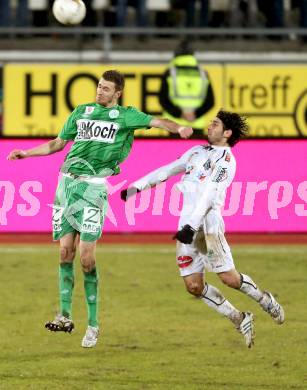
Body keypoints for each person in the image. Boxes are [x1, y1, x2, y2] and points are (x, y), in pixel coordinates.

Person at [7, 70, 193, 348]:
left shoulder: (127, 116)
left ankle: (93, 325)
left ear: (117, 93)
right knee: (64, 252)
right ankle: (65, 316)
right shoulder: (82, 112)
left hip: (94, 190)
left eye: (106, 89)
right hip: (66, 186)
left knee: (86, 258)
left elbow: (156, 122)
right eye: (98, 86)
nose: (100, 91)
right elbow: (58, 144)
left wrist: (178, 128)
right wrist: (26, 153)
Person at [121, 110, 284, 348]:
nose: (209, 126)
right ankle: (239, 318)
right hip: (185, 224)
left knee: (228, 277)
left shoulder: (226, 161)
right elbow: (169, 169)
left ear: (227, 133)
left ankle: (264, 299)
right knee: (193, 286)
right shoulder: (196, 151)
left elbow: (208, 196)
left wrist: (191, 225)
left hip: (207, 224)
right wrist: (138, 187)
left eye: (215, 124)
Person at [159, 40, 214, 139]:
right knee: (196, 154)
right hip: (196, 124)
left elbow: (163, 100)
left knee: (173, 154)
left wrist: (180, 114)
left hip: (174, 125)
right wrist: (195, 115)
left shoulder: (170, 72)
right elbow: (210, 102)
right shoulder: (203, 73)